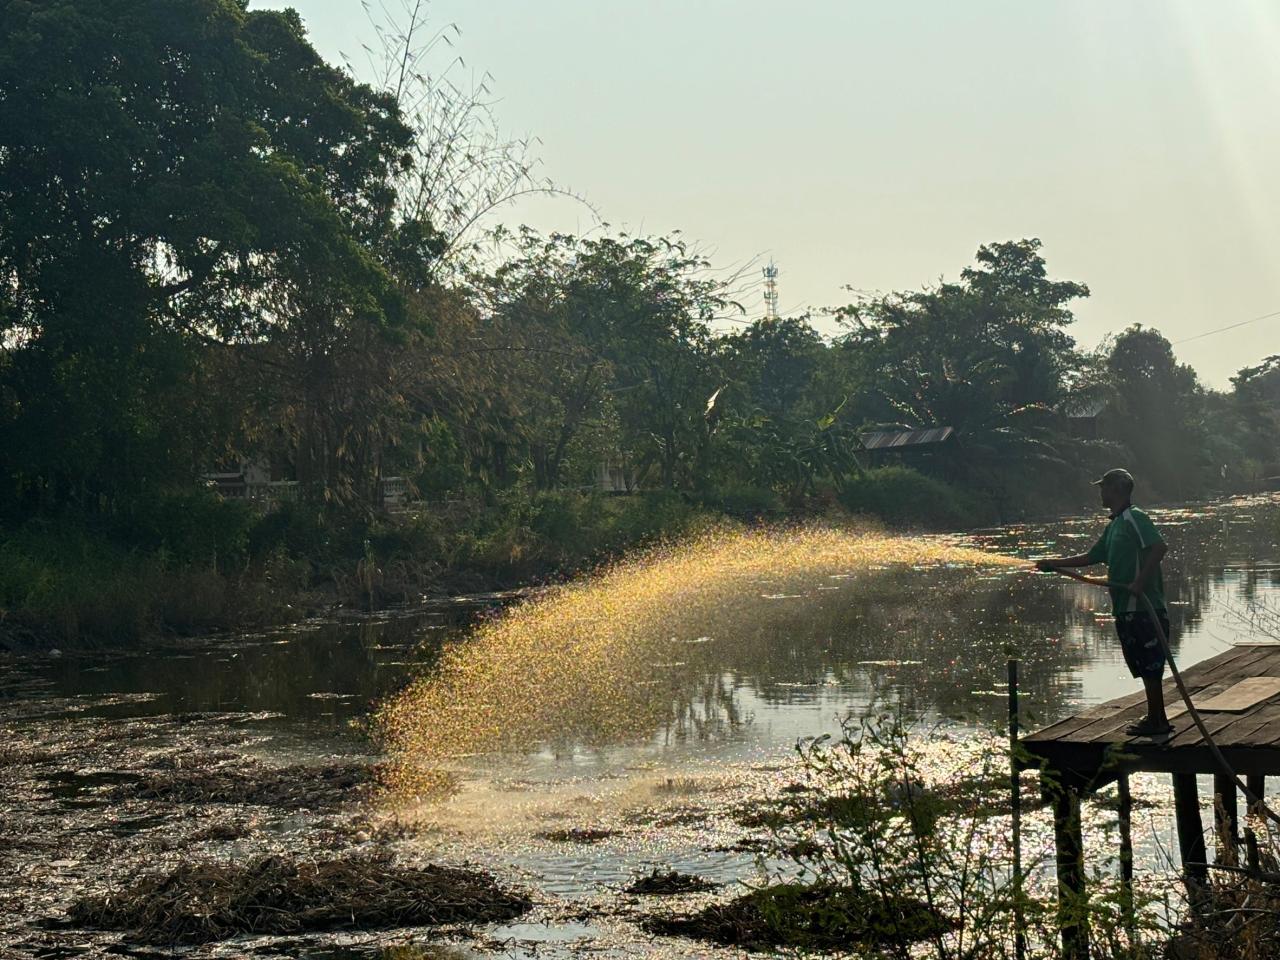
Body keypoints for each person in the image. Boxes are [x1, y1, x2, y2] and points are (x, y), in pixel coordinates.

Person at [1035, 468, 1172, 737]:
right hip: (1125, 608)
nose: (1100, 492)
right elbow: (1092, 556)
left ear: (1117, 489)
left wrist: (1140, 583)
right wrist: (1053, 564)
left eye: (1103, 488)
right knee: (1142, 665)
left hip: (1144, 607)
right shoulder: (1114, 526)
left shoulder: (1136, 518)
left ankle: (1158, 720)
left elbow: (1159, 548)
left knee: (1151, 665)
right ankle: (1155, 717)